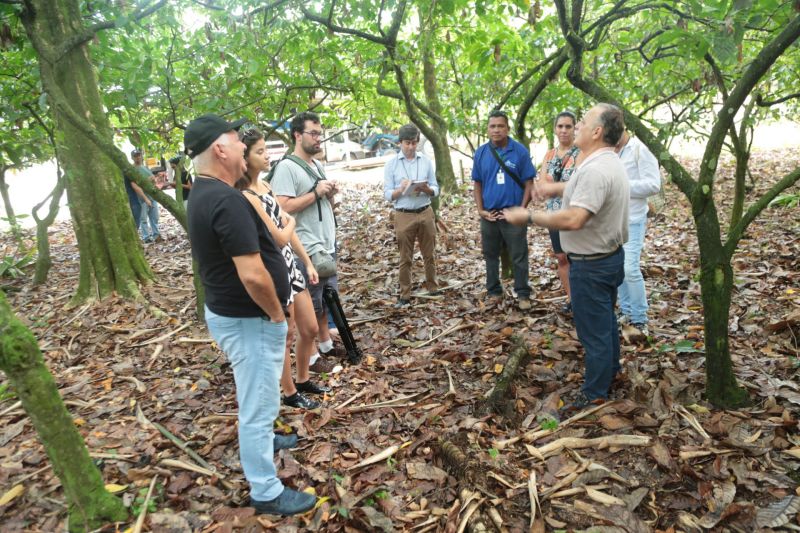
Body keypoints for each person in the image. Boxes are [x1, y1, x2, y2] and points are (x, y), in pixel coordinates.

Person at [185, 113, 315, 516]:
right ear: (220, 149)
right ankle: (266, 490)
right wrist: (277, 315)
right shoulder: (224, 200)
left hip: (232, 315)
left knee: (256, 392)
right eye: (237, 140)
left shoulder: (204, 192)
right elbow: (254, 274)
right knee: (256, 406)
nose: (244, 146)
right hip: (249, 319)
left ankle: (265, 438)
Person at [505, 103, 630, 409]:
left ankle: (595, 393)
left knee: (594, 331)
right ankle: (610, 372)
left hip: (592, 264)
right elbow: (584, 189)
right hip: (608, 257)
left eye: (583, 122)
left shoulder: (596, 169)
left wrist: (530, 218)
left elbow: (575, 219)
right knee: (606, 323)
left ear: (597, 131)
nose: (577, 127)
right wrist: (555, 190)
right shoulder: (606, 161)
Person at [238, 127, 331, 409]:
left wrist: (307, 262)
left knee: (310, 328)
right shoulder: (246, 195)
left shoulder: (266, 186)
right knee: (286, 336)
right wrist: (287, 221)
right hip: (274, 270)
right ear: (246, 156)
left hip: (292, 266)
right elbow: (279, 235)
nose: (267, 156)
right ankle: (290, 393)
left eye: (267, 150)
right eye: (260, 152)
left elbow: (288, 232)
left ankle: (302, 378)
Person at [271, 112, 348, 371]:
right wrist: (316, 193)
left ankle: (325, 343)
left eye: (320, 133)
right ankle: (312, 357)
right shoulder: (286, 167)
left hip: (326, 244)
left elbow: (319, 200)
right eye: (313, 133)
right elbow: (282, 207)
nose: (319, 139)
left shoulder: (315, 165)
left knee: (326, 298)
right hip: (306, 247)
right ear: (297, 135)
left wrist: (329, 195)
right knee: (310, 304)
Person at [472, 110, 536, 310]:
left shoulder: (519, 152)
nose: (496, 130)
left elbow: (529, 184)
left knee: (518, 255)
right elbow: (477, 184)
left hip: (513, 214)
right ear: (488, 129)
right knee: (490, 254)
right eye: (492, 126)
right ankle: (494, 290)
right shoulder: (481, 153)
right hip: (490, 215)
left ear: (507, 128)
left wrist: (521, 210)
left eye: (501, 126)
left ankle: (523, 293)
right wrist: (481, 210)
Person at [383, 123, 440, 307]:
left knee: (429, 253)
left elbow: (436, 187)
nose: (411, 147)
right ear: (400, 143)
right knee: (405, 257)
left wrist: (427, 189)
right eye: (407, 143)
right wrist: (400, 190)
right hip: (403, 214)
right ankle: (405, 295)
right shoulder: (391, 164)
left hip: (424, 210)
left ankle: (433, 287)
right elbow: (387, 194)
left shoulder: (425, 160)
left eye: (414, 143)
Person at [615, 130, 661, 336]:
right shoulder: (611, 151)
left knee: (629, 268)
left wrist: (622, 186)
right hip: (613, 220)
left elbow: (653, 184)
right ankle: (626, 311)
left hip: (633, 220)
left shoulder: (639, 149)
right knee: (618, 268)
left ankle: (640, 319)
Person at [539, 112, 580, 314]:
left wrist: (554, 187)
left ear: (575, 128)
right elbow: (542, 183)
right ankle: (572, 299)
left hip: (576, 213)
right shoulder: (549, 154)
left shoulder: (581, 153)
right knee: (562, 257)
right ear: (555, 129)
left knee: (579, 257)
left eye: (568, 126)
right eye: (560, 126)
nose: (564, 130)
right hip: (554, 214)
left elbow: (580, 184)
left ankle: (584, 298)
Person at [128, 149, 152, 233]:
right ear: (132, 158)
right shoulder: (132, 169)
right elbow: (135, 185)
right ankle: (146, 237)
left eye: (139, 155)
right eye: (135, 156)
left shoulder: (145, 167)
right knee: (143, 219)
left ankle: (156, 235)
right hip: (140, 197)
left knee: (154, 218)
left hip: (151, 195)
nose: (138, 157)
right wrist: (145, 198)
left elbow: (152, 179)